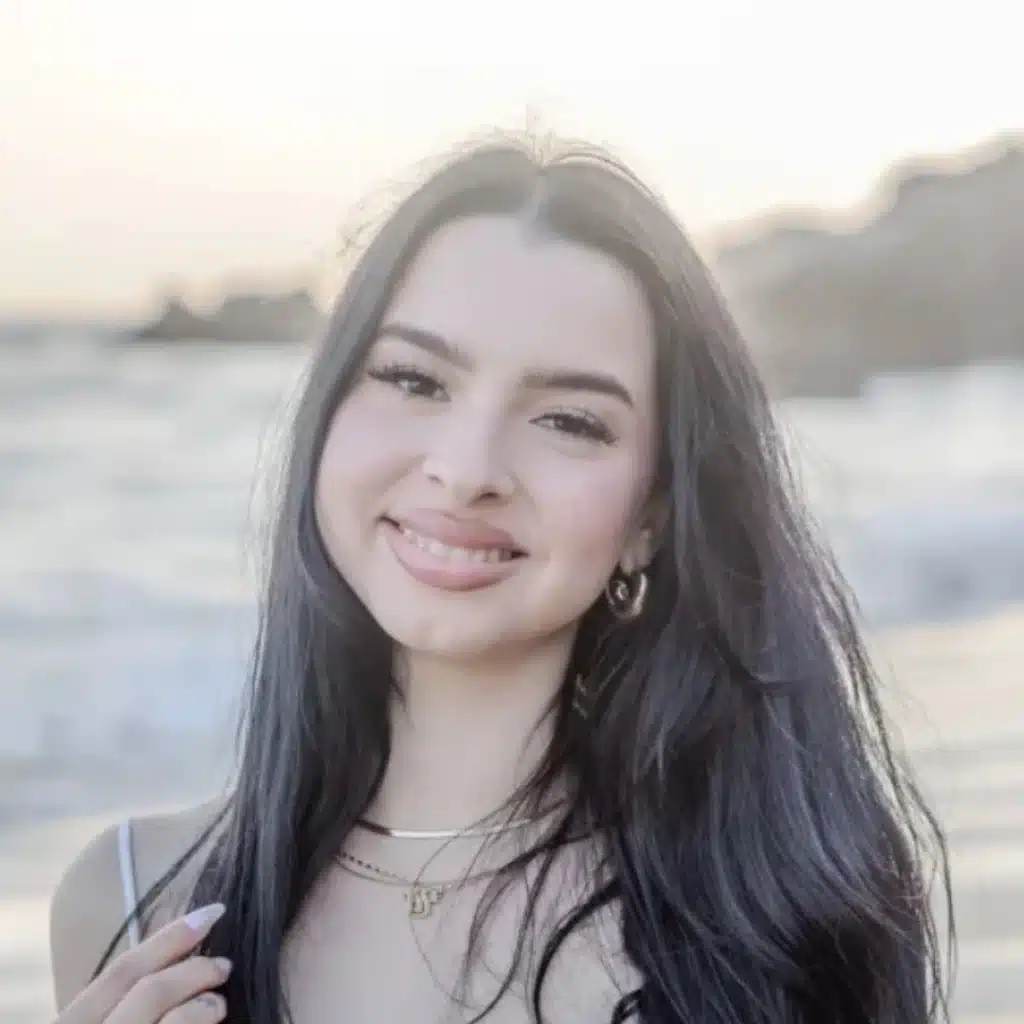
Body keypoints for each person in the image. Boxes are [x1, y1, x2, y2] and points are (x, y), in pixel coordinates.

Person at [49, 136, 953, 1024]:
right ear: (327, 412)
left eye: (567, 419)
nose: (467, 466)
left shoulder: (786, 912)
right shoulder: (132, 906)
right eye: (414, 378)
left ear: (652, 518)